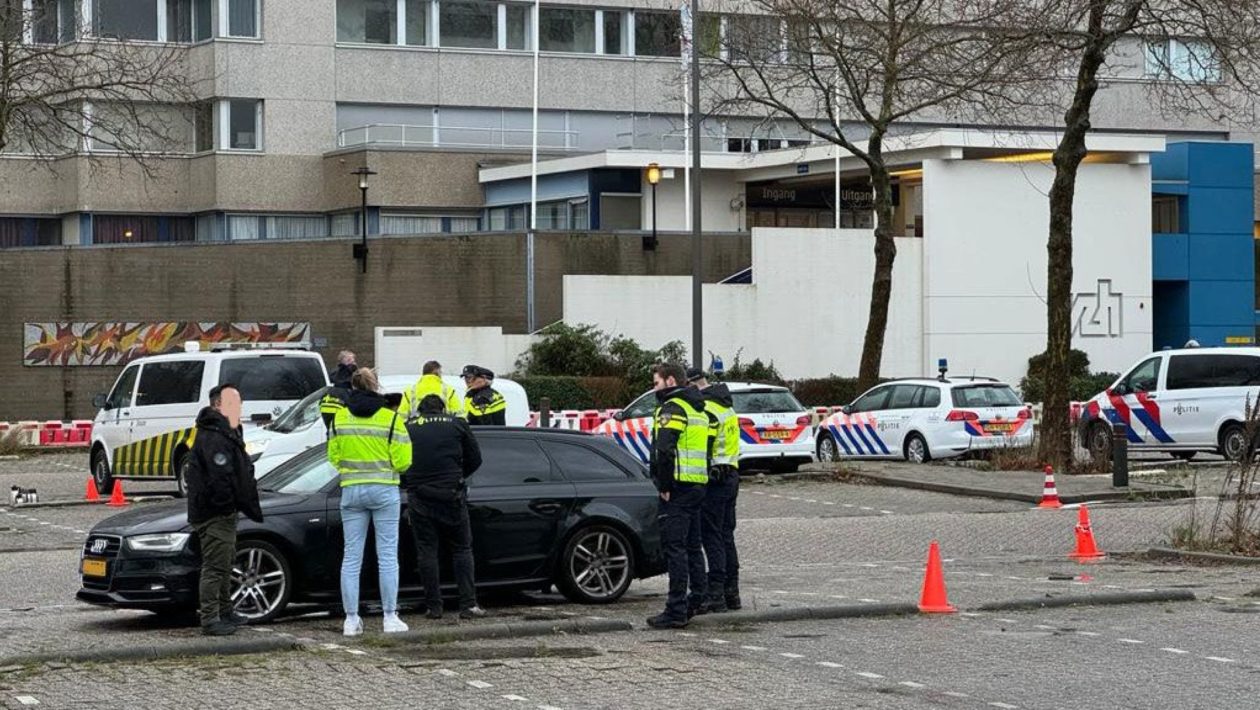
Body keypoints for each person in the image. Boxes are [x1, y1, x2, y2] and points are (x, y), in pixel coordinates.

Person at [328, 367, 413, 636]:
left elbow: (333, 457)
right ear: (376, 387)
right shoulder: (391, 419)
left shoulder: (339, 418)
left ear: (352, 387)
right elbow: (404, 461)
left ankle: (351, 620)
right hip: (385, 489)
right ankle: (390, 617)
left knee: (351, 558)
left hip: (351, 490)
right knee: (387, 556)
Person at [184, 384, 264, 636]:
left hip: (223, 512)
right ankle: (210, 619)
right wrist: (226, 504)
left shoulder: (225, 431)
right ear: (218, 405)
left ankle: (225, 610)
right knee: (215, 566)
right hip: (214, 513)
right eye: (233, 402)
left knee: (226, 562)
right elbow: (220, 477)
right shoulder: (214, 435)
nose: (239, 407)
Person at [403, 394, 486, 620]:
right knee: (462, 549)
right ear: (443, 409)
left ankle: (434, 607)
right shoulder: (457, 424)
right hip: (451, 496)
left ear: (419, 411)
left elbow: (399, 460)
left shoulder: (408, 427)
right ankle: (468, 605)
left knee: (427, 551)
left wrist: (410, 482)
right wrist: (457, 476)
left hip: (420, 497)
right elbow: (475, 458)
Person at [646, 362, 712, 629]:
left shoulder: (673, 407)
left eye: (656, 383)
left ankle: (675, 610)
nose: (654, 389)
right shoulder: (698, 407)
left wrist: (664, 484)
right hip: (698, 483)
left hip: (679, 486)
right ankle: (698, 599)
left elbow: (665, 449)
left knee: (675, 549)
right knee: (693, 546)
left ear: (670, 380)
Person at [689, 367, 741, 612]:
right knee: (726, 535)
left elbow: (705, 447)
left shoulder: (708, 409)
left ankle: (716, 594)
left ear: (693, 385)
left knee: (712, 537)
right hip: (732, 473)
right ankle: (733, 593)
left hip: (715, 478)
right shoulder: (726, 405)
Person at [321, 350, 359, 431]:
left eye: (353, 360)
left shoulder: (338, 374)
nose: (353, 363)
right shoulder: (343, 375)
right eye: (349, 360)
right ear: (342, 362)